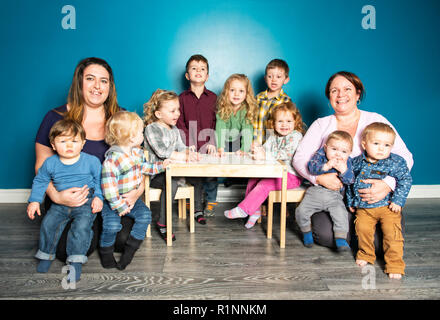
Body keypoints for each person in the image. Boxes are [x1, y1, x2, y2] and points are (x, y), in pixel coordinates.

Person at [292, 71, 414, 249]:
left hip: (372, 194)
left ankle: (360, 231)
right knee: (326, 236)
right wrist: (317, 178)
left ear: (358, 94)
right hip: (334, 192)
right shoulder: (321, 124)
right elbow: (300, 157)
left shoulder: (375, 120)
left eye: (347, 89)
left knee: (381, 243)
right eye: (334, 90)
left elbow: (405, 156)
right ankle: (353, 231)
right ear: (329, 98)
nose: (341, 94)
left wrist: (387, 184)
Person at [34, 57, 139, 261]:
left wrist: (136, 193)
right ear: (79, 82)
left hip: (111, 198)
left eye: (104, 80)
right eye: (90, 79)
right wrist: (56, 197)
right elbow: (41, 165)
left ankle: (98, 226)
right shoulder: (55, 117)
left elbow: (138, 164)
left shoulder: (123, 118)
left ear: (110, 86)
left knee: (123, 240)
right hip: (70, 199)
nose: (97, 86)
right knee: (66, 251)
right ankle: (90, 229)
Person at [27, 119, 103, 283]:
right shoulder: (50, 163)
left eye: (74, 141)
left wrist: (98, 197)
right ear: (53, 145)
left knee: (81, 227)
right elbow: (41, 181)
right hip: (59, 202)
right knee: (48, 224)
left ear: (83, 143)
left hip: (85, 200)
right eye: (63, 141)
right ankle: (46, 255)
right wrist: (34, 201)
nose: (69, 145)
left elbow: (100, 181)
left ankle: (76, 260)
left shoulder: (91, 161)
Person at [100, 111, 167, 270]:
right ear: (131, 137)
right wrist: (120, 206)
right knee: (112, 226)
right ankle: (106, 253)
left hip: (133, 199)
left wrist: (160, 166)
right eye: (140, 132)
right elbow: (108, 189)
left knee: (145, 216)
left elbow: (145, 167)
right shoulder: (113, 159)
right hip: (114, 202)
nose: (142, 135)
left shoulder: (136, 152)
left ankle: (130, 251)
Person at [347, 122, 412, 279]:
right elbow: (349, 182)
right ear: (364, 144)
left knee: (392, 234)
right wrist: (351, 201)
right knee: (362, 230)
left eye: (387, 145)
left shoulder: (396, 162)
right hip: (364, 208)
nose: (381, 148)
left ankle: (395, 264)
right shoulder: (356, 162)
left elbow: (405, 180)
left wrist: (398, 200)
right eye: (376, 143)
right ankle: (366, 254)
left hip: (388, 207)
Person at [224, 102, 304, 229]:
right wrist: (255, 150)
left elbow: (286, 153)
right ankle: (255, 210)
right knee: (253, 178)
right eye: (280, 121)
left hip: (290, 176)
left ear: (295, 122)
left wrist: (265, 155)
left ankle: (244, 209)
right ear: (273, 123)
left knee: (264, 184)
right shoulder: (273, 137)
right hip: (275, 173)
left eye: (289, 121)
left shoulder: (296, 136)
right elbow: (264, 150)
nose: (284, 125)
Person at [144, 89, 206, 241]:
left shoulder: (175, 130)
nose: (177, 113)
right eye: (172, 111)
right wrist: (182, 155)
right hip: (157, 173)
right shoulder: (151, 129)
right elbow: (162, 152)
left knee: (197, 176)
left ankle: (198, 210)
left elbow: (181, 146)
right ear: (158, 114)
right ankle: (163, 223)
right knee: (172, 182)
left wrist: (189, 151)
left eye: (178, 109)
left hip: (175, 169)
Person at [295, 130, 354, 251]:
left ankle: (341, 239)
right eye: (334, 149)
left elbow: (350, 180)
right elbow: (311, 167)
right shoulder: (320, 155)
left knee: (341, 214)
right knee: (301, 211)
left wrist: (344, 171)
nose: (338, 154)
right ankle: (306, 233)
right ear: (326, 148)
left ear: (349, 153)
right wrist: (326, 166)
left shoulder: (347, 162)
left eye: (344, 152)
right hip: (315, 193)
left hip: (334, 196)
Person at [176, 54, 219, 217]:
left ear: (207, 76)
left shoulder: (214, 98)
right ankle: (195, 204)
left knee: (210, 175)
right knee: (194, 177)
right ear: (187, 75)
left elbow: (217, 122)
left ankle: (211, 201)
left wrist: (213, 142)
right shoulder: (181, 99)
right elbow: (179, 123)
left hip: (209, 145)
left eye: (202, 69)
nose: (198, 71)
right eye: (194, 69)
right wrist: (189, 144)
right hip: (191, 146)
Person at [215, 73, 257, 156]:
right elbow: (220, 128)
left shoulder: (247, 110)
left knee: (241, 157)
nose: (236, 94)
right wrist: (220, 148)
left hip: (239, 143)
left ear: (246, 94)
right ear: (227, 92)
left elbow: (247, 131)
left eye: (241, 91)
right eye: (232, 90)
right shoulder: (223, 108)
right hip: (224, 142)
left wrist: (244, 149)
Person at [253, 59, 292, 145]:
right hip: (255, 144)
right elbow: (251, 120)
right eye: (270, 76)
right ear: (265, 78)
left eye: (278, 77)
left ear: (286, 79)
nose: (274, 80)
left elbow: (287, 127)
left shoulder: (286, 101)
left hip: (274, 147)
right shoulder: (258, 98)